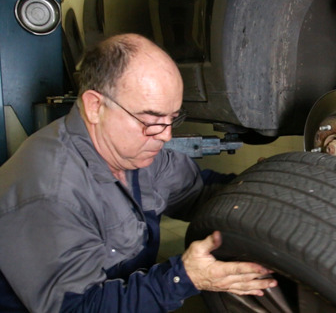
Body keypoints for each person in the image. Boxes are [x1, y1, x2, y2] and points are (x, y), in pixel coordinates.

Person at [0, 33, 277, 312]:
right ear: (95, 106)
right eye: (151, 120)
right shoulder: (50, 193)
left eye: (173, 118)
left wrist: (273, 186)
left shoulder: (135, 154)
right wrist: (184, 278)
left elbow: (199, 192)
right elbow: (78, 307)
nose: (165, 135)